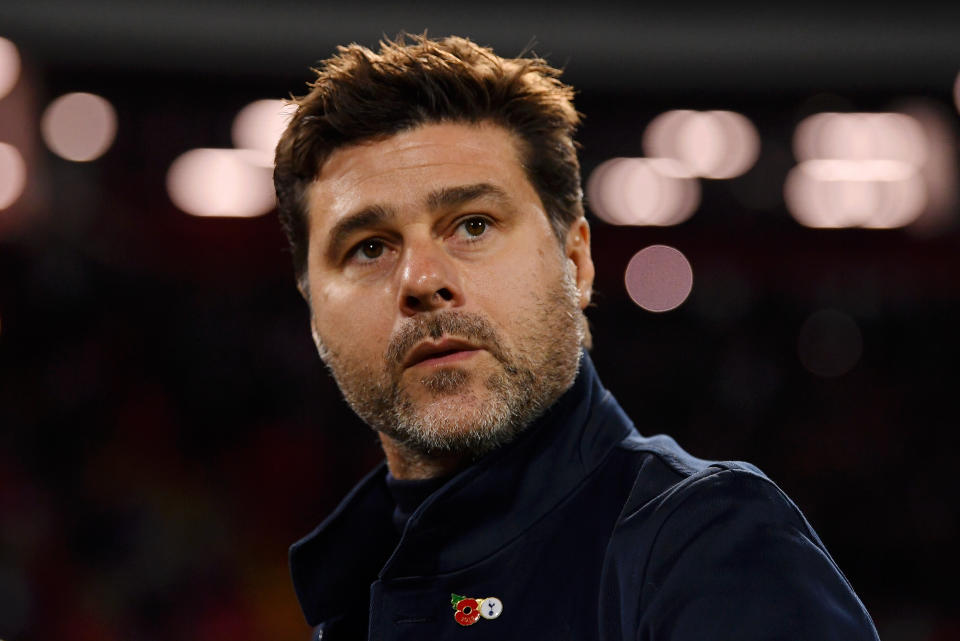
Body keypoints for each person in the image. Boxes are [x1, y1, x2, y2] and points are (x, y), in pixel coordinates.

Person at [272, 33, 880, 641]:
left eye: (473, 225)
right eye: (369, 247)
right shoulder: (345, 600)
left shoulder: (703, 546)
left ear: (576, 261)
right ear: (313, 311)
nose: (423, 280)